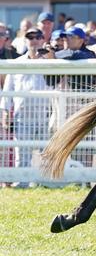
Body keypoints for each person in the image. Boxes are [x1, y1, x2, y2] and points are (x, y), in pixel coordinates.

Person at [0, 28, 52, 171]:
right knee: (21, 153)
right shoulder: (16, 63)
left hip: (45, 114)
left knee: (46, 152)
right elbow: (7, 91)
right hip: (22, 116)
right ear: (25, 40)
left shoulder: (51, 62)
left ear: (43, 40)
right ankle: (21, 184)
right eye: (30, 37)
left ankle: (44, 183)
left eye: (37, 37)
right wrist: (5, 113)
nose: (34, 40)